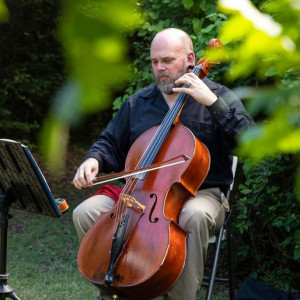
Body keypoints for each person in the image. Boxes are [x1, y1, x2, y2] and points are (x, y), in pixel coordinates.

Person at [72, 28, 255, 300]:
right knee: (85, 212)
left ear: (190, 58)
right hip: (141, 194)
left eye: (167, 60)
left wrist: (212, 103)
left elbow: (249, 141)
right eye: (155, 62)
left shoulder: (218, 96)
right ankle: (120, 289)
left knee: (193, 216)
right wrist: (93, 159)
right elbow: (109, 142)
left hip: (201, 193)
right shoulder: (139, 102)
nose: (160, 68)